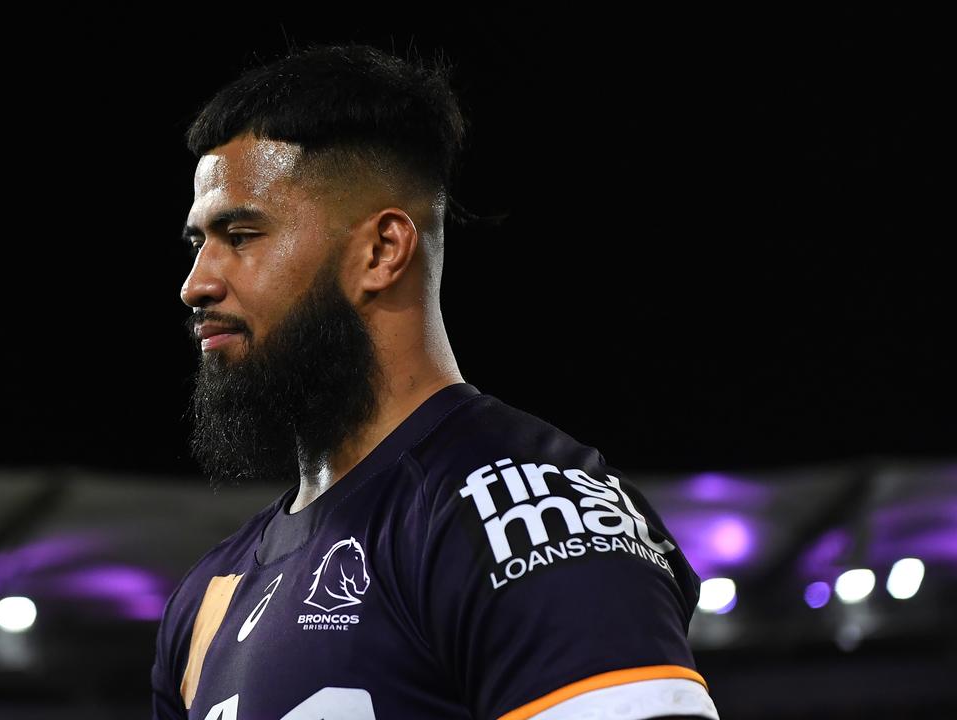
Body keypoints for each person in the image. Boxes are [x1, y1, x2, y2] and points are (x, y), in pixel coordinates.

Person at [152, 42, 719, 720]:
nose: (197, 285)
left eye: (241, 235)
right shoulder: (209, 593)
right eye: (197, 243)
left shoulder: (524, 513)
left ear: (382, 250)